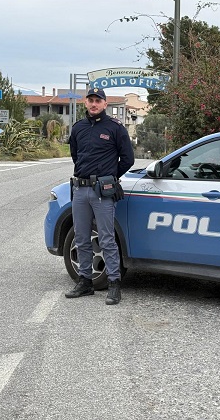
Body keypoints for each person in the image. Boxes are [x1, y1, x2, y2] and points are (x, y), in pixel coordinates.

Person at [65, 87, 134, 305]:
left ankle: (114, 283)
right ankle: (85, 281)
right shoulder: (78, 128)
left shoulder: (115, 128)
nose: (94, 104)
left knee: (106, 238)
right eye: (91, 100)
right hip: (80, 190)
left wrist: (110, 177)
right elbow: (75, 155)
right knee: (82, 237)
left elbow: (128, 159)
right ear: (85, 103)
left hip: (102, 191)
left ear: (105, 104)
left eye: (98, 101)